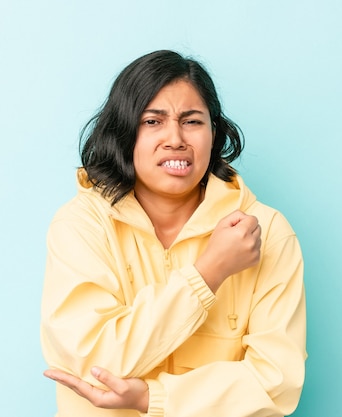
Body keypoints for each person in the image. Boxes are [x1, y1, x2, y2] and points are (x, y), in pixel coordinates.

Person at [40, 50, 307, 417]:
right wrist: (208, 273)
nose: (175, 139)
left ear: (214, 133)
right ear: (124, 131)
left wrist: (152, 398)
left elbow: (277, 382)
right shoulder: (82, 225)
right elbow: (96, 362)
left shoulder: (267, 232)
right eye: (153, 121)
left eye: (192, 121)